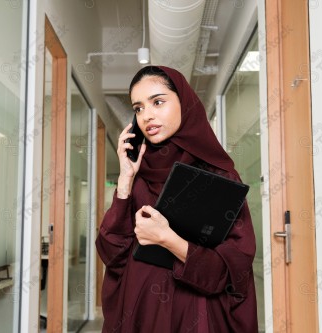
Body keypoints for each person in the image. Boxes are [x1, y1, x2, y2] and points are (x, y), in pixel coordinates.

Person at [95, 65, 258, 332]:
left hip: (197, 313)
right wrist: (124, 181)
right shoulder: (137, 174)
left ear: (184, 103)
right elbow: (112, 254)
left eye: (158, 102)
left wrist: (167, 239)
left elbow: (233, 269)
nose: (147, 115)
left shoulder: (220, 174)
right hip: (141, 311)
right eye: (138, 108)